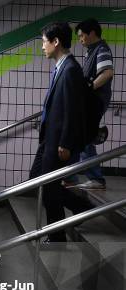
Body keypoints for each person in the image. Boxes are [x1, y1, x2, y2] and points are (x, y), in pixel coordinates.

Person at [30, 22, 94, 242]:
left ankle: (56, 237)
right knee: (37, 180)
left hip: (58, 142)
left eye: (44, 42)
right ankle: (81, 206)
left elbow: (73, 111)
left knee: (49, 189)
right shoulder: (61, 67)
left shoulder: (71, 70)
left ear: (55, 42)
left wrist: (65, 143)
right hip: (48, 140)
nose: (42, 47)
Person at [63, 18, 114, 190]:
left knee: (84, 138)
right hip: (90, 101)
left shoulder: (101, 49)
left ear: (92, 33)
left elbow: (107, 73)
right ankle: (71, 176)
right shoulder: (92, 51)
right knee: (81, 137)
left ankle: (96, 179)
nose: (80, 40)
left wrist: (91, 86)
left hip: (96, 101)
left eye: (81, 36)